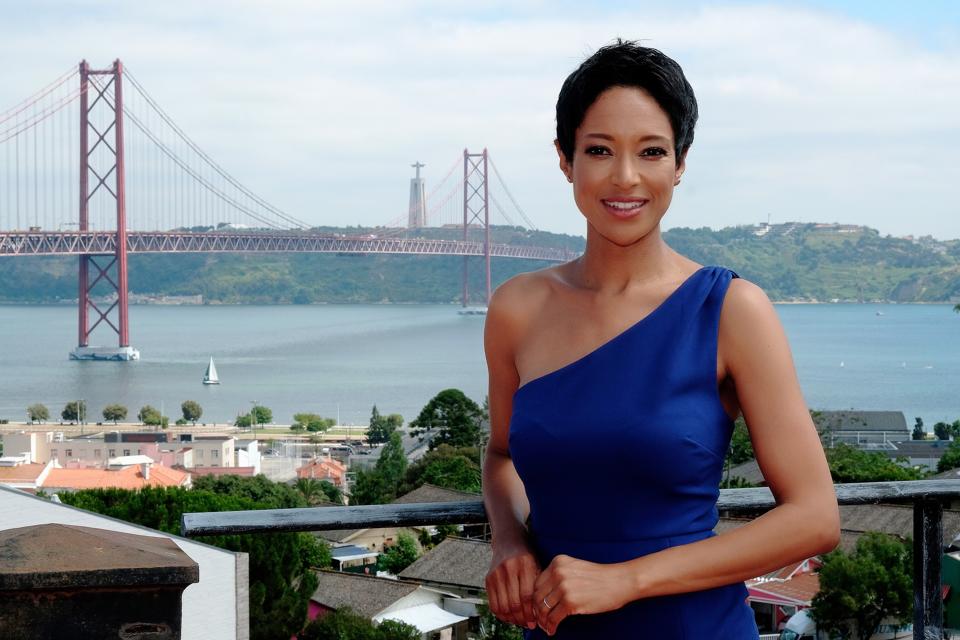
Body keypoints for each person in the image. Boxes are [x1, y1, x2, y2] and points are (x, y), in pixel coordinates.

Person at [481, 40, 839, 639]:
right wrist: (509, 540)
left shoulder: (730, 310)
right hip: (552, 626)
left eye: (651, 151)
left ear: (680, 163)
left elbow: (815, 517)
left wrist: (626, 579)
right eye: (599, 150)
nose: (625, 177)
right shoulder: (517, 308)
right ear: (565, 160)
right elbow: (501, 457)